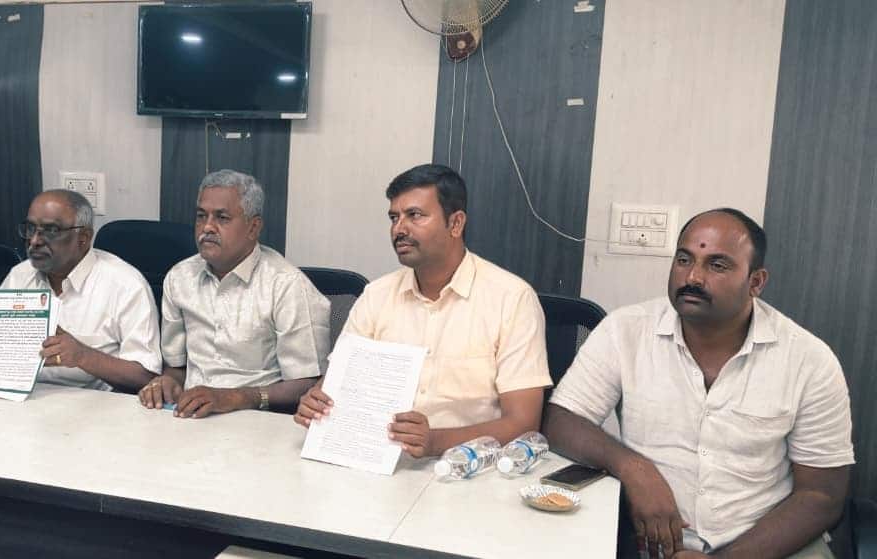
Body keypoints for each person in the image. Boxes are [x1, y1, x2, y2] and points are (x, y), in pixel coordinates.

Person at [545, 209, 852, 559]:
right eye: (684, 259)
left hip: (767, 546)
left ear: (756, 282)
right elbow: (561, 422)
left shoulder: (808, 360)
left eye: (717, 265)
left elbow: (822, 496)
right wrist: (633, 468)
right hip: (650, 540)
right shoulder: (626, 330)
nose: (692, 276)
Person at [293, 164, 551, 459]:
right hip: (379, 459)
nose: (399, 229)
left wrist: (435, 442)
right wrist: (316, 403)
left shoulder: (511, 299)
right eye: (394, 217)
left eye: (414, 215)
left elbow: (523, 424)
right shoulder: (377, 295)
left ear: (456, 224)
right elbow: (335, 387)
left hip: (469, 467)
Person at [138, 169, 330, 418]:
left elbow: (307, 384)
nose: (207, 227)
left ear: (253, 227)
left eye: (222, 218)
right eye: (201, 216)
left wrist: (237, 397)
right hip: (191, 415)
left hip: (259, 419)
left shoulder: (287, 285)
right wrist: (166, 382)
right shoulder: (179, 277)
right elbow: (176, 367)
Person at [0, 190, 161, 392]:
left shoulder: (125, 285)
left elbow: (146, 377)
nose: (34, 241)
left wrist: (83, 356)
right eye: (30, 228)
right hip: (20, 397)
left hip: (91, 403)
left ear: (83, 237)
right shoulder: (20, 275)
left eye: (51, 230)